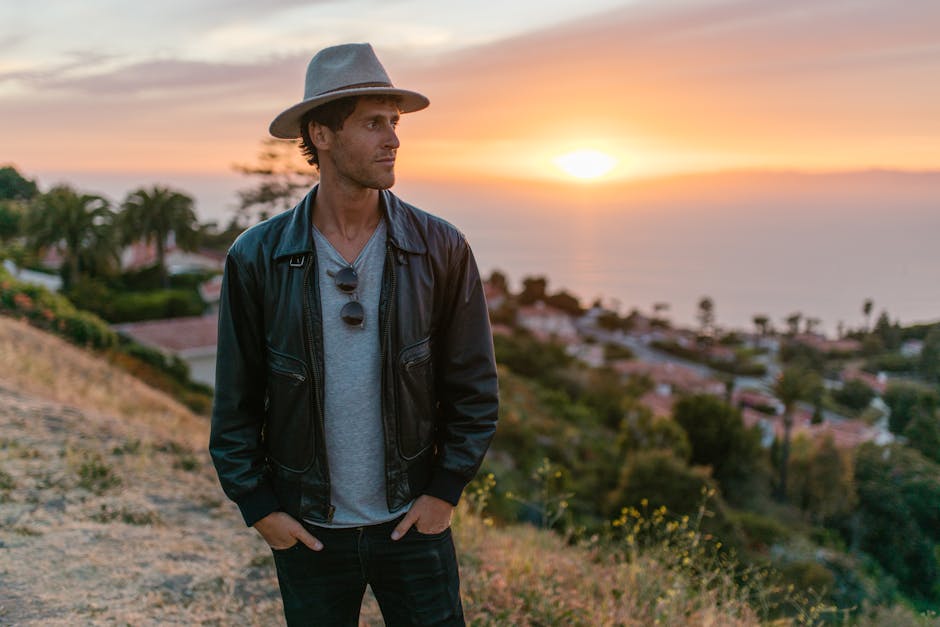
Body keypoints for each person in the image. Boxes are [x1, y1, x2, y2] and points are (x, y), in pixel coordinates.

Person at [209, 42, 499, 626]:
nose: (394, 138)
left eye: (394, 122)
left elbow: (475, 390)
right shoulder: (258, 257)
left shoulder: (440, 248)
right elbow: (235, 403)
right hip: (310, 531)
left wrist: (443, 494)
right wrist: (260, 507)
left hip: (412, 526)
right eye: (373, 123)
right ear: (321, 134)